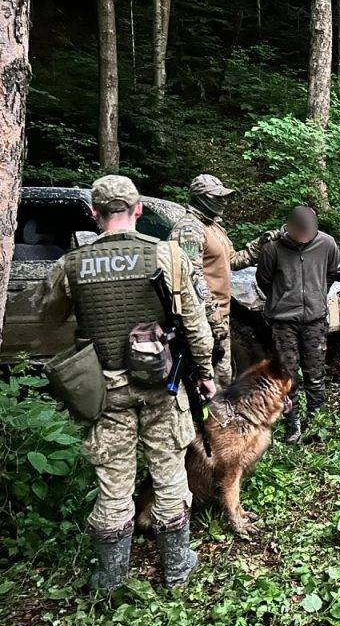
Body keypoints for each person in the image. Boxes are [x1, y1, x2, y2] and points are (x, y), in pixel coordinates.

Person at [34, 176, 216, 591]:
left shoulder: (73, 263)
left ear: (95, 215)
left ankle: (110, 578)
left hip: (104, 390)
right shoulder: (167, 256)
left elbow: (47, 319)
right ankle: (177, 567)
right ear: (137, 211)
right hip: (162, 385)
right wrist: (205, 374)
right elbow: (196, 325)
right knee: (170, 472)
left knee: (113, 482)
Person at [169, 174, 278, 391]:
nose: (223, 201)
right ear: (201, 197)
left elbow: (233, 262)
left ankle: (218, 422)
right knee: (204, 380)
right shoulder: (189, 230)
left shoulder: (214, 227)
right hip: (201, 321)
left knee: (223, 377)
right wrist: (213, 316)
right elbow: (191, 279)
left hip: (220, 318)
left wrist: (261, 244)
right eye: (217, 196)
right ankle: (203, 423)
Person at [256, 206, 339, 444]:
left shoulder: (326, 244)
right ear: (290, 227)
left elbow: (331, 274)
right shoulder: (273, 247)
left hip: (314, 318)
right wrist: (283, 298)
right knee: (287, 374)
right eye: (300, 231)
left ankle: (316, 422)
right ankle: (292, 423)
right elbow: (263, 280)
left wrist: (316, 295)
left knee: (315, 373)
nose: (304, 235)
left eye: (309, 231)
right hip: (283, 321)